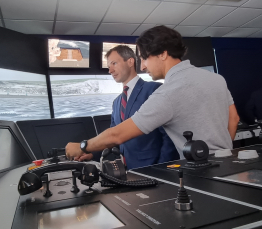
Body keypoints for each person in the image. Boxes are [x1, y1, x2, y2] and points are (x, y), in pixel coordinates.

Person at [66, 25, 239, 161]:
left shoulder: (167, 93)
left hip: (201, 172)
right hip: (229, 163)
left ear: (163, 54)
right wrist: (223, 152)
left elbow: (117, 135)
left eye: (144, 58)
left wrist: (82, 146)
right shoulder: (217, 79)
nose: (142, 66)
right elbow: (234, 119)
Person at [76, 45, 179, 169]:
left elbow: (169, 135)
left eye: (114, 63)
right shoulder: (117, 102)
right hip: (128, 170)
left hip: (154, 169)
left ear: (130, 61)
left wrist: (162, 168)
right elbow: (113, 139)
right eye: (109, 66)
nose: (110, 70)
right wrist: (92, 154)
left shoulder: (153, 90)